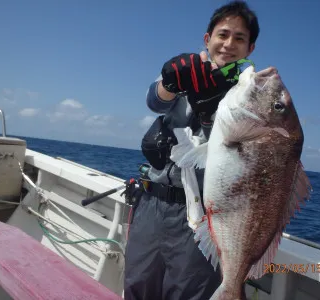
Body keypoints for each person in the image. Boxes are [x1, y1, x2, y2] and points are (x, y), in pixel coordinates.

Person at [124, 1, 260, 299]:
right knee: (137, 285)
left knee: (188, 293)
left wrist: (211, 114)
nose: (228, 44)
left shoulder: (252, 92)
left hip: (202, 215)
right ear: (207, 39)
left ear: (250, 48)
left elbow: (241, 151)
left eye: (239, 38)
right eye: (223, 35)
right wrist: (170, 82)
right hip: (151, 204)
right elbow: (155, 102)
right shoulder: (189, 71)